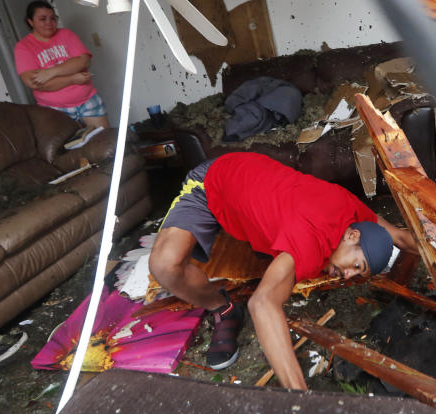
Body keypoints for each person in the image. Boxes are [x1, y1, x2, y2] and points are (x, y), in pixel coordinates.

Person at [149, 151, 417, 388]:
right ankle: (222, 307)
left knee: (265, 231)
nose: (348, 275)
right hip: (211, 182)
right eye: (357, 266)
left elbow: (403, 238)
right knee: (164, 265)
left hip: (253, 178)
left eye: (359, 274)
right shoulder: (308, 243)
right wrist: (300, 399)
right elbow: (263, 303)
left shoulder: (356, 215)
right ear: (352, 236)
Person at [14, 1, 109, 141]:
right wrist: (72, 78)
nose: (49, 23)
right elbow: (35, 83)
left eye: (53, 18)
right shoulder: (23, 47)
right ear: (30, 22)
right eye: (42, 19)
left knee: (107, 142)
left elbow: (84, 61)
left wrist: (51, 72)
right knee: (70, 152)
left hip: (88, 100)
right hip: (54, 109)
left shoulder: (66, 35)